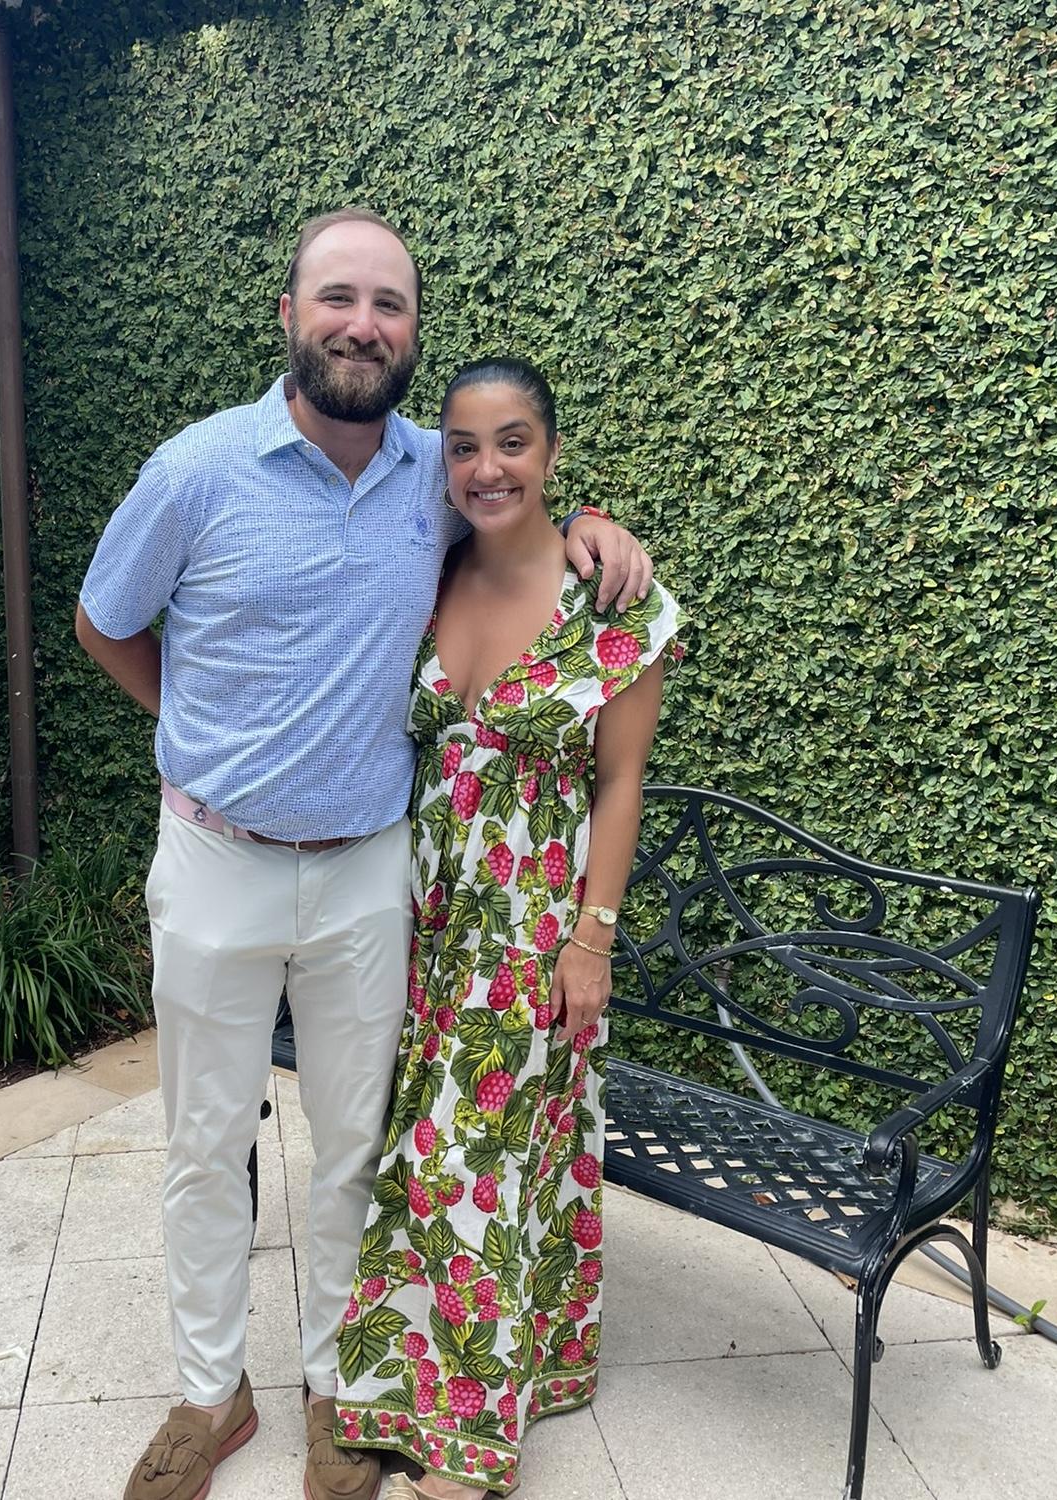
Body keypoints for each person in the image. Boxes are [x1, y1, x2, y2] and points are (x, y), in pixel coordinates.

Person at [74, 209, 653, 1500]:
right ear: (290, 314)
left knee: (354, 1146)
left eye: (388, 304)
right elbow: (104, 621)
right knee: (204, 1144)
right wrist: (199, 734)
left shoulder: (431, 476)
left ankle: (341, 1389)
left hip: (368, 871)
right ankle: (208, 1394)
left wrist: (596, 525)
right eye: (338, 297)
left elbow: (516, 511)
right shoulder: (196, 470)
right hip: (216, 860)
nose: (362, 324)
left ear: (412, 331)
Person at [331, 359, 681, 1498]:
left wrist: (594, 940)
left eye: (514, 442)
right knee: (433, 1153)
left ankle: (471, 1437)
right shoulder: (426, 573)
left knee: (472, 1159)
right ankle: (413, 1377)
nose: (488, 467)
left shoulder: (612, 608)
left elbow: (620, 784)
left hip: (531, 930)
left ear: (553, 452)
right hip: (418, 916)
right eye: (465, 446)